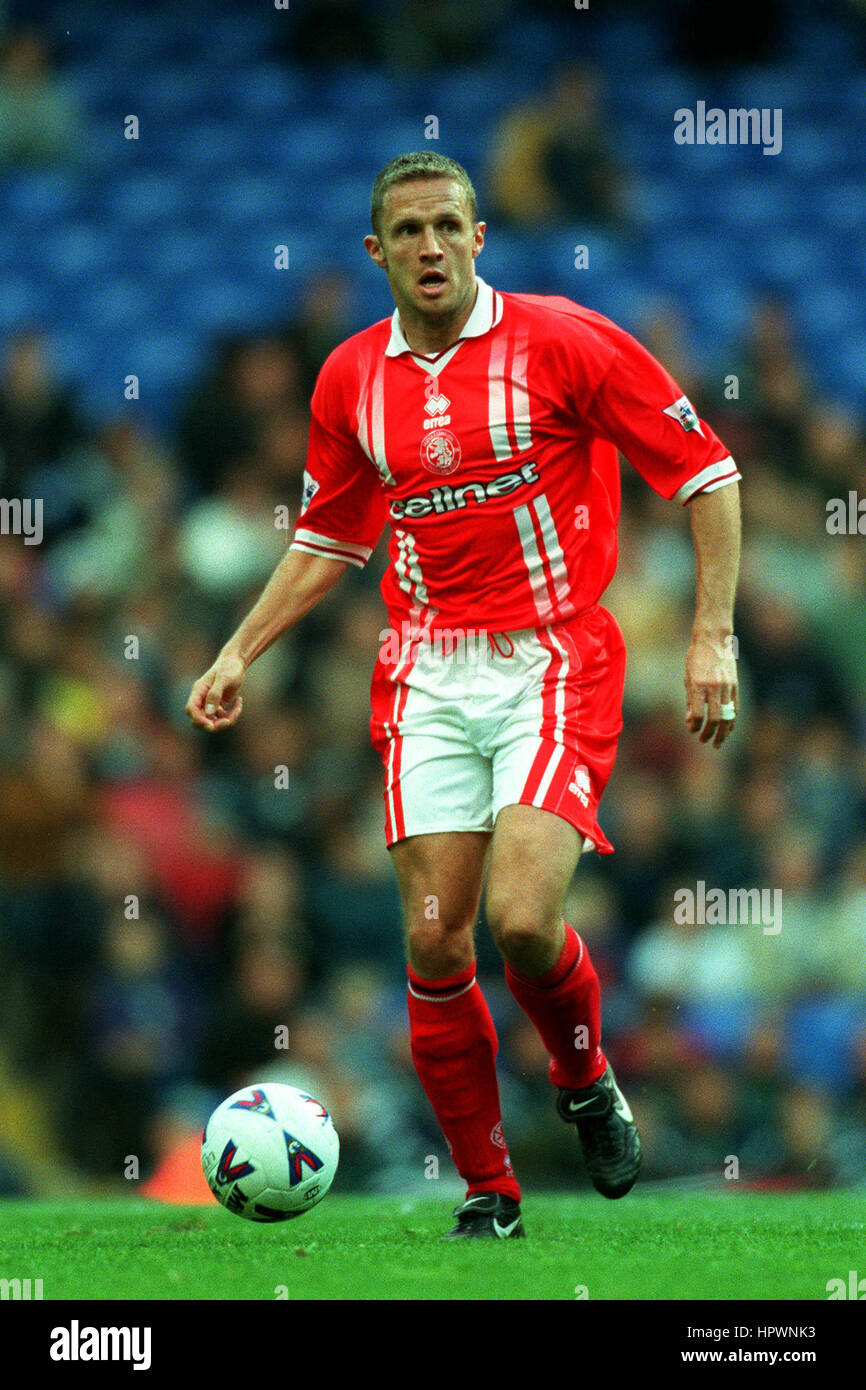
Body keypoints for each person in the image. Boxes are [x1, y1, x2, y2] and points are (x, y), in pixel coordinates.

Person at [186, 152, 741, 1239]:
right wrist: (238, 649)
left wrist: (709, 633)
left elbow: (706, 471)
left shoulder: (562, 339)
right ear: (376, 251)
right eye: (408, 232)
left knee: (522, 921)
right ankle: (490, 1193)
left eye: (448, 225)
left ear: (478, 237)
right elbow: (327, 536)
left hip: (551, 658)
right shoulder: (349, 377)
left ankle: (583, 1079)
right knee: (437, 946)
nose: (430, 247)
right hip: (427, 671)